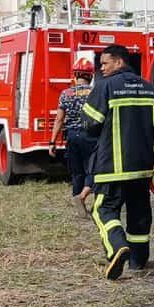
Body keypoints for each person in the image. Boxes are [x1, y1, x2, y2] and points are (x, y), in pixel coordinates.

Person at [82, 43, 154, 280]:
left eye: (105, 63)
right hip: (143, 168)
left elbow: (89, 124)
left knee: (103, 210)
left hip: (112, 167)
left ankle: (117, 246)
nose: (101, 69)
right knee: (139, 213)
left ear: (119, 62)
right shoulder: (150, 89)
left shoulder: (105, 86)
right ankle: (138, 261)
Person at [49, 58, 96, 217]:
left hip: (72, 136)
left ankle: (79, 204)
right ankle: (94, 202)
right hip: (91, 136)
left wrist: (52, 141)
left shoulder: (66, 93)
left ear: (75, 75)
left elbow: (59, 119)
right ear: (91, 75)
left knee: (77, 173)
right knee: (94, 169)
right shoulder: (95, 92)